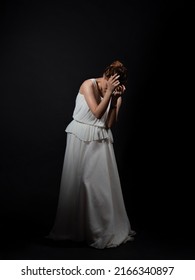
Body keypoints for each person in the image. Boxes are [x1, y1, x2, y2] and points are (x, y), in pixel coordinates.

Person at [47, 60, 135, 249]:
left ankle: (99, 229)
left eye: (112, 85)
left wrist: (114, 99)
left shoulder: (116, 95)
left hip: (100, 138)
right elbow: (96, 113)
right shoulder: (88, 84)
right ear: (104, 75)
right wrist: (108, 92)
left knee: (98, 185)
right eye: (106, 83)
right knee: (78, 183)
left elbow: (109, 124)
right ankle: (78, 229)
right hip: (80, 136)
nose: (106, 86)